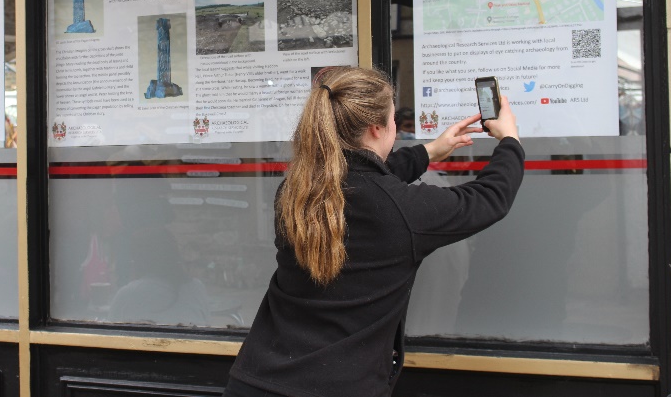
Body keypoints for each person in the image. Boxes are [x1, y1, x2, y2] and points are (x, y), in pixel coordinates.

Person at [222, 66, 524, 397]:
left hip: (255, 381)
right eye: (394, 121)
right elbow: (490, 197)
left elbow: (359, 181)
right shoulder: (400, 210)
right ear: (377, 129)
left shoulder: (296, 192)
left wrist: (427, 153)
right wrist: (509, 140)